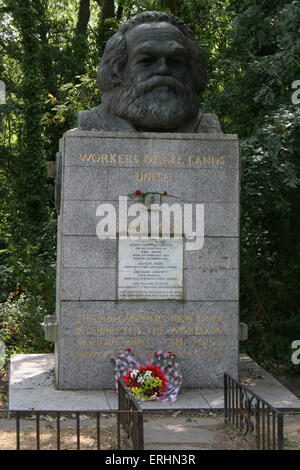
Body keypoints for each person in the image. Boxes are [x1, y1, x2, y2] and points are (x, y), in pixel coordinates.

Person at [78, 11, 221, 133]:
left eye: (175, 61)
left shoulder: (206, 127)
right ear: (116, 70)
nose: (163, 69)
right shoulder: (92, 123)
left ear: (191, 71)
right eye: (147, 60)